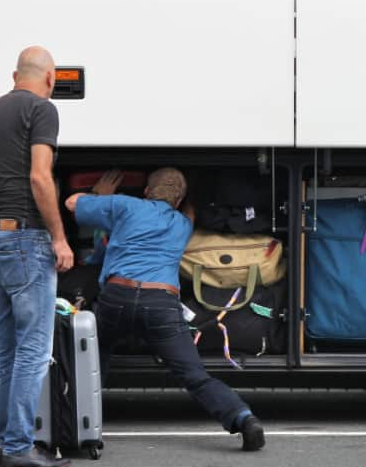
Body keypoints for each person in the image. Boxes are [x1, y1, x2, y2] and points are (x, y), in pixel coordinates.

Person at [65, 168, 266, 451]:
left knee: (93, 364)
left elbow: (72, 203)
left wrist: (101, 196)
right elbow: (191, 213)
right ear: (179, 200)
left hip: (117, 297)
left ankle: (76, 426)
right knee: (195, 376)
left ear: (146, 191)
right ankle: (243, 418)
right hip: (161, 304)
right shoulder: (182, 224)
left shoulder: (125, 205)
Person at [0, 46, 74, 467]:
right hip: (24, 238)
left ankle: (7, 439)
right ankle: (18, 446)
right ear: (50, 78)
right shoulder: (41, 109)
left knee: (2, 346)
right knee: (33, 346)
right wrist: (59, 237)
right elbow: (39, 175)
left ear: (15, 74)